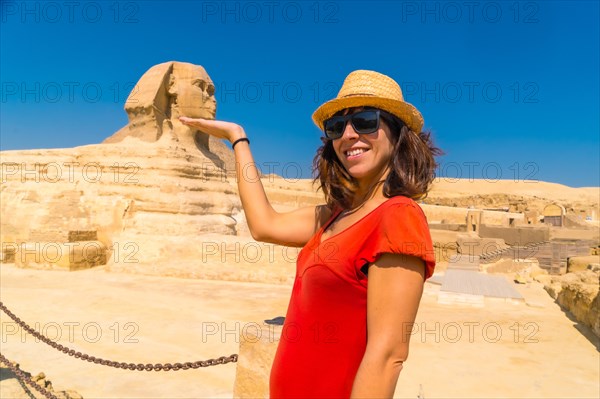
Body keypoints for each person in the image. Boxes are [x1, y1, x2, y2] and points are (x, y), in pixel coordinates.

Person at [180, 70, 442, 398]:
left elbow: (387, 356)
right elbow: (264, 226)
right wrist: (238, 139)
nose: (348, 135)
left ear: (397, 134)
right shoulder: (333, 216)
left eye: (365, 121)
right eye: (337, 127)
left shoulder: (398, 217)